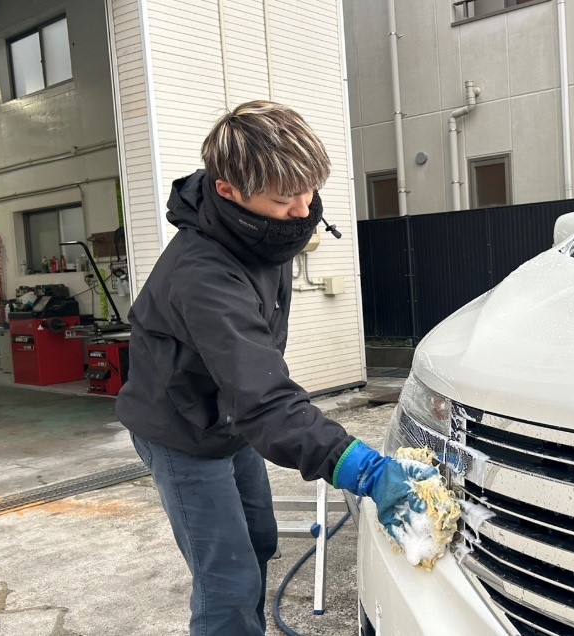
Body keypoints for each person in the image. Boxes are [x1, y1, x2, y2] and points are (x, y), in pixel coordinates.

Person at [116, 101, 435, 635]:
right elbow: (262, 399)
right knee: (228, 580)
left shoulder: (259, 231)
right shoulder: (204, 275)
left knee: (261, 540)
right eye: (286, 198)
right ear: (228, 192)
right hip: (180, 429)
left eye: (309, 190)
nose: (303, 208)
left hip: (225, 419)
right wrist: (360, 468)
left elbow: (253, 388)